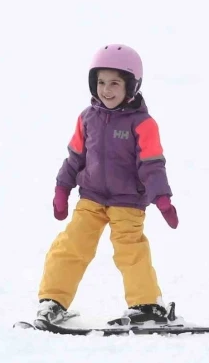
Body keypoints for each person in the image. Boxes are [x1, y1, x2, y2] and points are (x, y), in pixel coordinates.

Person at [36, 44, 180, 325]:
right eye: (101, 82)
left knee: (130, 250)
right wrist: (62, 189)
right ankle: (53, 301)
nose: (106, 90)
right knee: (71, 245)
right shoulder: (87, 118)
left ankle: (146, 305)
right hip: (91, 198)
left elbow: (151, 164)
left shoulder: (143, 124)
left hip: (128, 201)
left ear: (132, 85)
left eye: (115, 83)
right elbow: (75, 158)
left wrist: (161, 198)